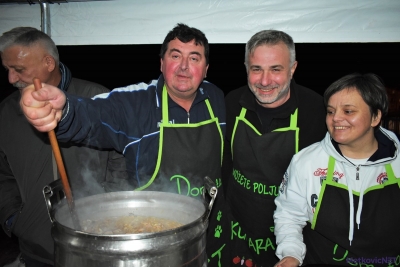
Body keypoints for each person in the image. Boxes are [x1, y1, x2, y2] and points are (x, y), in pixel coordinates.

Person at [19, 23, 226, 264]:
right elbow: (92, 115)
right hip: (152, 241)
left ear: (206, 69)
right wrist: (62, 110)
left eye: (194, 58)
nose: (183, 66)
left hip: (209, 229)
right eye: (175, 55)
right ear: (161, 63)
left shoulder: (218, 99)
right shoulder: (134, 103)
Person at [0, 27, 127, 267]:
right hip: (37, 249)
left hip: (94, 242)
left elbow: (121, 155)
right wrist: (13, 218)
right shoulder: (6, 112)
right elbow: (2, 173)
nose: (11, 79)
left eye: (18, 70)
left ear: (48, 62)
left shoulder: (96, 97)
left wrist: (108, 205)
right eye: (7, 70)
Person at [206, 30, 327, 266]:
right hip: (237, 231)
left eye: (276, 69)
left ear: (292, 69)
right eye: (256, 69)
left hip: (293, 240)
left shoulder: (317, 111)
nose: (264, 81)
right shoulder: (232, 103)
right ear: (246, 68)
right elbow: (224, 166)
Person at [274, 73, 400, 267]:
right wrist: (291, 254)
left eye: (348, 111)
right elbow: (288, 216)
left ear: (375, 117)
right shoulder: (306, 162)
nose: (336, 119)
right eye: (331, 111)